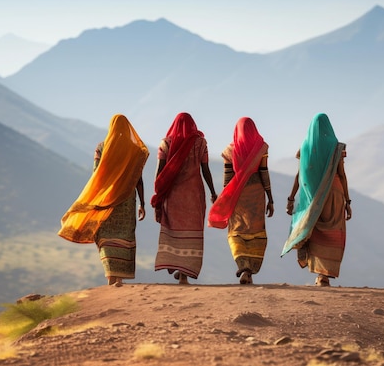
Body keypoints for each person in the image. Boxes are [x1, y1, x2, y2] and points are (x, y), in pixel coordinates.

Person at [59, 114, 149, 287]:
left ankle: (110, 277)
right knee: (125, 234)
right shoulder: (134, 150)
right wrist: (142, 203)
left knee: (105, 234)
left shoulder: (101, 147)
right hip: (127, 199)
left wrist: (94, 197)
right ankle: (120, 278)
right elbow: (138, 178)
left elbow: (97, 175)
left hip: (107, 198)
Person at [281, 113, 352, 287]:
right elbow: (341, 175)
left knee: (314, 231)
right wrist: (348, 202)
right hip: (334, 195)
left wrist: (291, 198)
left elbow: (300, 174)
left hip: (313, 197)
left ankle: (319, 275)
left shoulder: (305, 147)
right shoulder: (335, 147)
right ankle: (324, 275)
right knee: (332, 232)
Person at [151, 112, 217, 285]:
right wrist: (212, 192)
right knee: (191, 231)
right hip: (194, 195)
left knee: (174, 229)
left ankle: (176, 264)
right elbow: (205, 170)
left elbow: (160, 171)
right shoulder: (201, 142)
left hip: (173, 196)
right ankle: (183, 274)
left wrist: (158, 193)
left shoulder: (165, 143)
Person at [208, 117, 274, 285]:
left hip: (238, 196)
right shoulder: (261, 148)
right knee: (255, 231)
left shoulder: (229, 151)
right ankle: (249, 270)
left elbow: (227, 180)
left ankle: (242, 266)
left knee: (236, 231)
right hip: (257, 196)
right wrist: (270, 198)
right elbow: (264, 173)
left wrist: (225, 198)